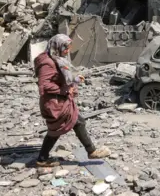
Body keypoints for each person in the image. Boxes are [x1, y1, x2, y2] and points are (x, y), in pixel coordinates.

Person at [34, 34, 110, 167]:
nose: (67, 51)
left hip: (60, 101)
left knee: (62, 127)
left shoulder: (56, 59)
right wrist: (65, 90)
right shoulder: (47, 62)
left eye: (68, 48)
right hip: (54, 103)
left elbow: (60, 79)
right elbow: (44, 85)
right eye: (65, 48)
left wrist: (73, 81)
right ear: (57, 46)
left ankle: (42, 157)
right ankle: (91, 151)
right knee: (73, 123)